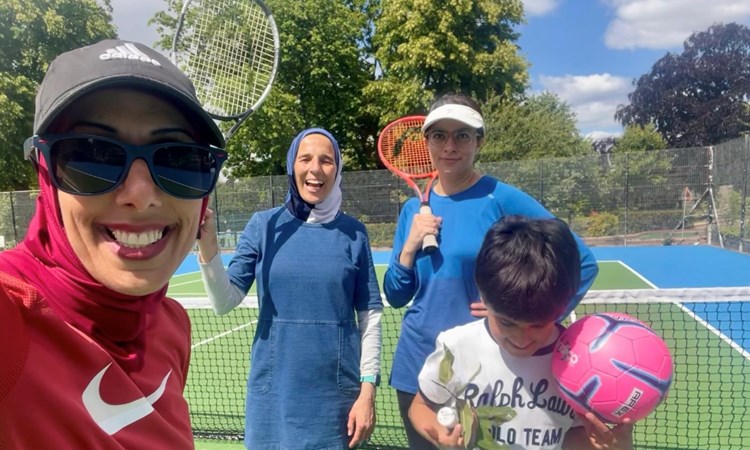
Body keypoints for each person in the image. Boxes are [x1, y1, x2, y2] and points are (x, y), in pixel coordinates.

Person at [0, 39, 227, 449]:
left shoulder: (170, 325)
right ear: (45, 174)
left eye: (177, 159)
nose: (140, 194)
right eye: (92, 155)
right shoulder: (12, 317)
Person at [382, 92, 599, 449]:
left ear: (478, 141)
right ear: (428, 142)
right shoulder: (412, 209)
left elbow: (583, 261)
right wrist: (409, 248)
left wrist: (531, 312)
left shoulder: (501, 198)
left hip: (481, 369)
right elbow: (396, 294)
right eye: (440, 135)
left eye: (462, 135)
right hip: (415, 363)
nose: (450, 146)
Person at [197, 128, 383, 449]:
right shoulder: (263, 225)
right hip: (273, 395)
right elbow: (223, 302)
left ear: (336, 170)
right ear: (291, 166)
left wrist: (367, 391)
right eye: (305, 158)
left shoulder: (354, 233)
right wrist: (209, 249)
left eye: (326, 160)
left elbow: (371, 320)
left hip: (336, 397)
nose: (315, 169)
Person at [410, 215, 633, 450]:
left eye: (538, 325)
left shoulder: (581, 362)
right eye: (507, 323)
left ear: (564, 304)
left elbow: (576, 435)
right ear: (484, 297)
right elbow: (421, 407)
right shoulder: (455, 346)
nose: (521, 339)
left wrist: (610, 445)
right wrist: (440, 436)